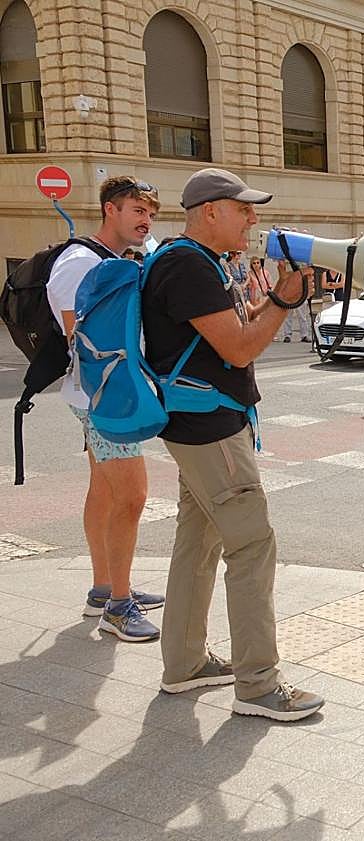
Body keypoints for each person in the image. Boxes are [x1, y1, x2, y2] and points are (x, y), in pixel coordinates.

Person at [142, 167, 324, 721]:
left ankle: (185, 663)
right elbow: (240, 348)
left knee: (196, 544)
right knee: (252, 547)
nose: (252, 219)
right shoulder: (189, 266)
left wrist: (276, 297)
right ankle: (259, 685)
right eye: (243, 209)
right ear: (210, 212)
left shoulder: (195, 260)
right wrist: (284, 302)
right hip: (212, 431)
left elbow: (235, 330)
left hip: (198, 425)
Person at [46, 176, 164, 641]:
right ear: (110, 210)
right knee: (132, 496)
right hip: (103, 399)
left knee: (104, 490)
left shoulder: (112, 260)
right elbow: (81, 340)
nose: (146, 221)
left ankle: (105, 588)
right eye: (137, 211)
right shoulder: (80, 262)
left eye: (150, 213)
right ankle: (118, 607)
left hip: (100, 395)